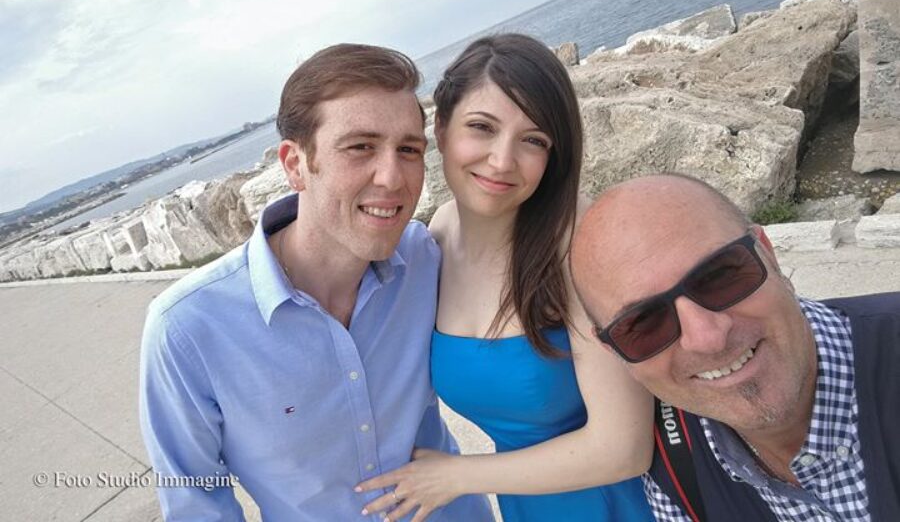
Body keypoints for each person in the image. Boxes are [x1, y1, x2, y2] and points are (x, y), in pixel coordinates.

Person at [138, 44, 493, 521]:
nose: (392, 177)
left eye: (408, 149)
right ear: (294, 164)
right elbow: (195, 503)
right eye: (360, 146)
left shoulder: (426, 258)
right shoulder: (187, 329)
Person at [356, 34, 655, 522]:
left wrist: (457, 476)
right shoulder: (438, 235)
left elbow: (624, 447)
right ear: (442, 128)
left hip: (624, 505)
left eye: (533, 140)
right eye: (482, 127)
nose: (501, 161)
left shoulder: (576, 244)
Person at [569, 173, 900, 522]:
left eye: (720, 276)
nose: (708, 338)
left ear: (768, 254)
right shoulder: (677, 473)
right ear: (616, 353)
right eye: (645, 323)